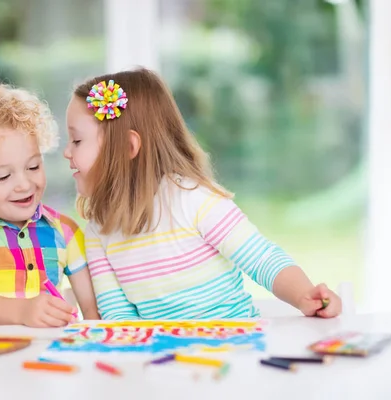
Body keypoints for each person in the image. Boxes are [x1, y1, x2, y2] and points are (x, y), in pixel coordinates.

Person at [63, 68, 342, 320]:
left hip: (236, 349)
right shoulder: (98, 230)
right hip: (167, 362)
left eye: (76, 140)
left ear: (126, 147)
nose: (67, 152)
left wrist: (304, 294)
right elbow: (119, 317)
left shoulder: (192, 199)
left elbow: (262, 259)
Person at [0, 73, 99, 327]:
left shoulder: (65, 231)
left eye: (33, 167)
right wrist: (23, 312)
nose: (24, 184)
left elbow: (91, 308)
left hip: (42, 358)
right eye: (3, 176)